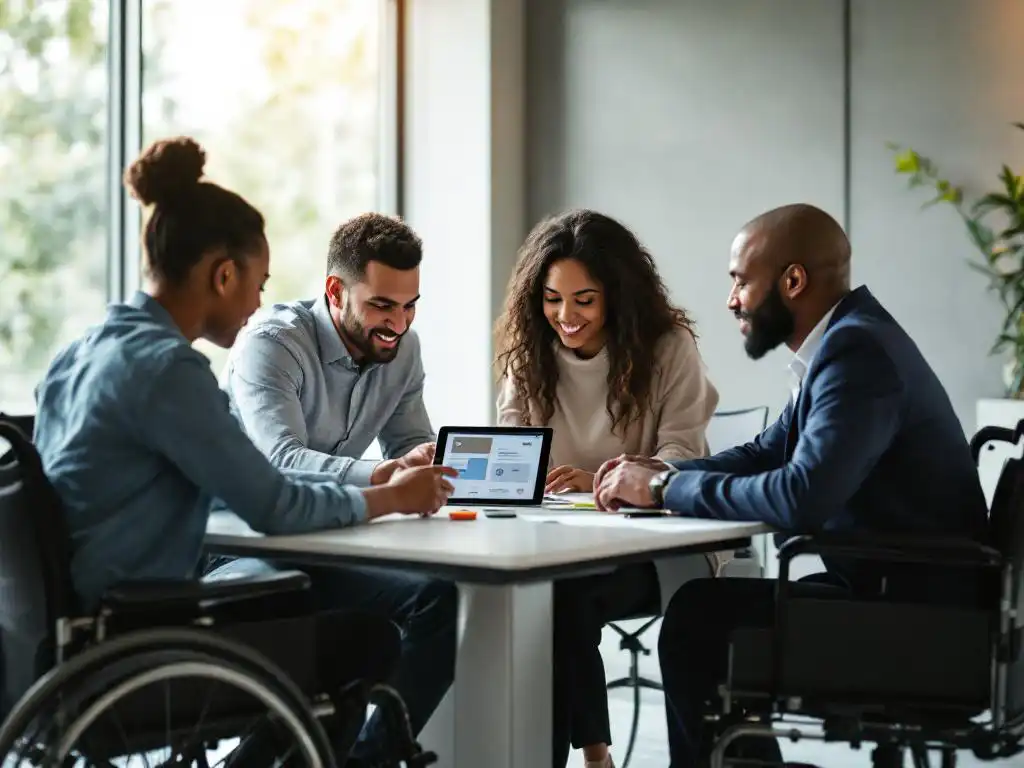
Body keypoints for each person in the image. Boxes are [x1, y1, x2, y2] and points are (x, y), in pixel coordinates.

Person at [31, 136, 457, 764]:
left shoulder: (86, 349)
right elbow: (274, 502)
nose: (258, 302)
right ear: (222, 275)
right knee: (359, 643)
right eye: (256, 283)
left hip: (65, 636)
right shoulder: (168, 371)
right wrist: (388, 494)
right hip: (143, 633)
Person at [592, 203, 990, 767]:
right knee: (706, 612)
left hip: (917, 626)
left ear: (792, 280)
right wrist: (667, 472)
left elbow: (800, 497)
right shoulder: (848, 341)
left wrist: (659, 494)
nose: (732, 300)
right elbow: (769, 450)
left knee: (700, 621)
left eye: (740, 281)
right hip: (903, 600)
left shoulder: (857, 353)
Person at [219, 211, 459, 759]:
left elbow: (408, 445)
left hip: (325, 539)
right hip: (246, 545)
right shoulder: (272, 343)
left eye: (409, 305)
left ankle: (369, 760)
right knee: (346, 639)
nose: (397, 324)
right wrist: (382, 477)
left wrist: (425, 464)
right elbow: (279, 459)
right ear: (335, 291)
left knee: (437, 598)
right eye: (381, 305)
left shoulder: (404, 349)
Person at [494, 209, 720, 768]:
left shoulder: (668, 349)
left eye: (584, 300)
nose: (565, 316)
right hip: (559, 540)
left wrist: (606, 481)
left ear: (617, 294)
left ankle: (595, 754)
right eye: (552, 299)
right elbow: (510, 449)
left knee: (560, 596)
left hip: (659, 546)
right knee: (531, 597)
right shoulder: (529, 350)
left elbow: (681, 459)